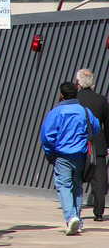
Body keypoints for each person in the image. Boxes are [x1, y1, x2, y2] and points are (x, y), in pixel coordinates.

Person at [40, 81, 101, 235]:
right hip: (81, 156)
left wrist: (51, 152)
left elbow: (47, 136)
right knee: (78, 187)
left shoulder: (55, 112)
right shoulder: (85, 111)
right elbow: (95, 128)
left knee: (64, 186)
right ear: (76, 94)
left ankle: (71, 217)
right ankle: (77, 221)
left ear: (61, 95)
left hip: (62, 156)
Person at [77, 68, 109, 221]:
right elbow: (107, 124)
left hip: (77, 143)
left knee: (75, 176)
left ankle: (74, 211)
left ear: (78, 82)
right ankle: (99, 212)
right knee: (100, 179)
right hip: (98, 144)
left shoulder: (74, 99)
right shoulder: (102, 100)